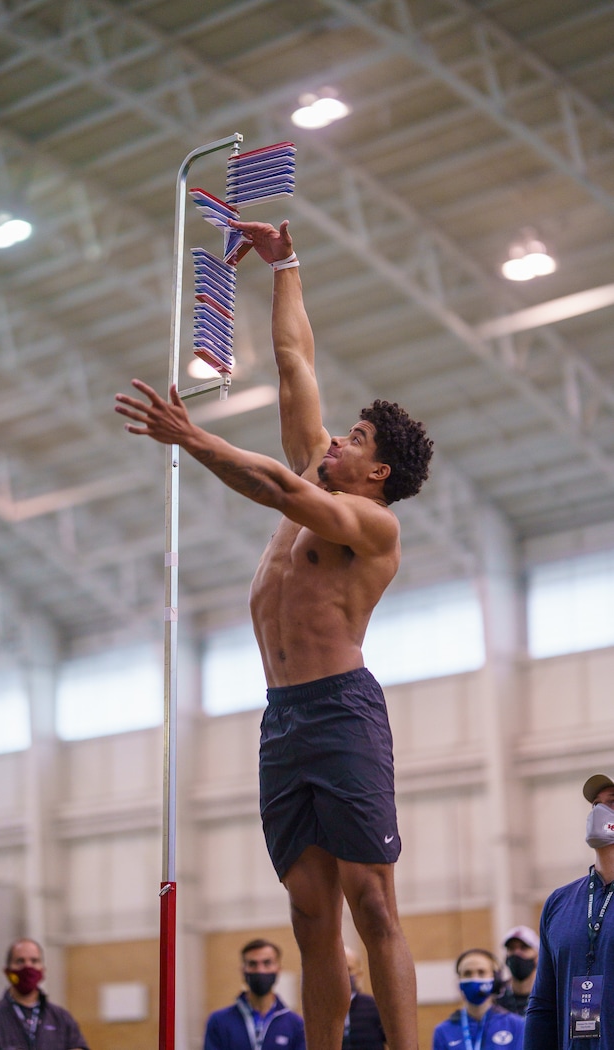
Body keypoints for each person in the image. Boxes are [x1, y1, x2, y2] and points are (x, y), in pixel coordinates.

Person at [115, 218, 433, 1050]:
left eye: (353, 441)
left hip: (340, 711)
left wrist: (194, 437)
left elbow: (281, 496)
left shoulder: (366, 527)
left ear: (378, 474)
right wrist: (284, 264)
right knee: (307, 911)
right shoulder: (313, 467)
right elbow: (295, 360)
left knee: (372, 902)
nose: (334, 441)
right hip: (282, 719)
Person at [524, 772, 614, 1049]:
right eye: (595, 805)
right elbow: (542, 1005)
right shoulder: (560, 902)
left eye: (612, 802)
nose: (600, 812)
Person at [0, 938, 89, 1050]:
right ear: (7, 971)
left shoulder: (61, 1017)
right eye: (20, 961)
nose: (28, 966)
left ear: (42, 970)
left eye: (34, 961)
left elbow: (78, 1047)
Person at [202, 938, 305, 1049]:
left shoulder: (296, 1024)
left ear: (278, 969)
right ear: (243, 970)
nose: (260, 970)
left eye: (267, 963)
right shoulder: (219, 1021)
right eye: (252, 964)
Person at [432, 948, 525, 1050]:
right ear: (459, 981)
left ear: (495, 978)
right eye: (467, 973)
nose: (474, 978)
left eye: (481, 972)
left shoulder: (516, 1025)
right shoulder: (444, 1031)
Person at [343, 946, 387, 1049]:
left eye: (348, 969)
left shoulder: (375, 1007)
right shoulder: (323, 1011)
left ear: (359, 975)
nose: (343, 974)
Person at [499, 925, 539, 1016]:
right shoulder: (497, 996)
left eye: (524, 948)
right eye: (511, 948)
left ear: (537, 956)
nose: (517, 953)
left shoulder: (548, 995)